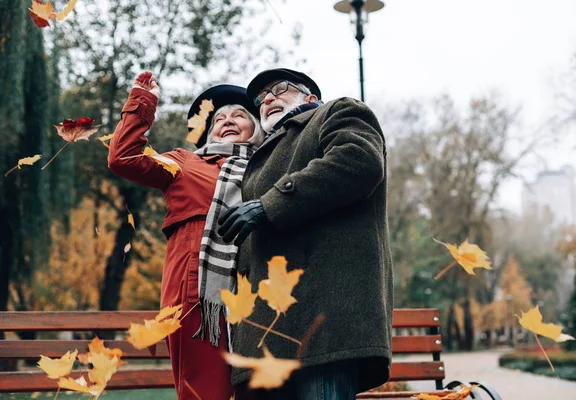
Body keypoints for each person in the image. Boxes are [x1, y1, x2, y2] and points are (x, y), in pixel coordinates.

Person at [218, 68, 393, 399]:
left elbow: (359, 161)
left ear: (310, 97)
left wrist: (267, 205)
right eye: (260, 98)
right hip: (265, 339)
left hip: (321, 327)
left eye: (279, 89)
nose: (267, 99)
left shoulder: (338, 111)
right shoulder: (261, 155)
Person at [107, 71, 263, 400]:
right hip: (199, 296)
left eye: (239, 114)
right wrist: (141, 103)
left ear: (258, 127)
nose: (228, 120)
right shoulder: (185, 163)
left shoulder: (273, 166)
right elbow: (124, 158)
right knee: (205, 392)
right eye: (219, 117)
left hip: (262, 291)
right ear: (207, 130)